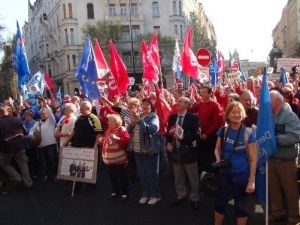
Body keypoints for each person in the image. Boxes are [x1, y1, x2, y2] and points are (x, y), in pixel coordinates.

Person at [214, 101, 257, 225]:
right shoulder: (222, 130)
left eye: (239, 112)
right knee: (220, 203)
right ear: (228, 115)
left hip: (241, 176)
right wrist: (218, 160)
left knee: (241, 207)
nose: (236, 115)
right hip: (224, 174)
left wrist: (252, 181)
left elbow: (253, 159)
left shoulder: (248, 133)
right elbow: (217, 148)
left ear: (243, 115)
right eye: (233, 112)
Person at [268, 90, 300, 225]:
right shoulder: (269, 116)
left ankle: (294, 217)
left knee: (290, 191)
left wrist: (274, 140)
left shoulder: (290, 117)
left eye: (269, 101)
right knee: (273, 190)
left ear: (277, 102)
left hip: (286, 161)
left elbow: (295, 136)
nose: (266, 103)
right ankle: (277, 212)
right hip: (271, 159)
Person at [167, 96, 201, 209]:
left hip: (188, 151)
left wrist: (183, 137)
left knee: (193, 177)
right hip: (175, 151)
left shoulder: (193, 118)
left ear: (187, 105)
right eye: (178, 101)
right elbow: (168, 133)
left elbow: (196, 135)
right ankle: (181, 195)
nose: (178, 102)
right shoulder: (172, 117)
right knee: (178, 176)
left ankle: (195, 198)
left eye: (181, 101)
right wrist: (168, 143)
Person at [127, 98, 161, 205]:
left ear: (151, 106)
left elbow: (152, 129)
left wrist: (140, 121)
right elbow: (129, 130)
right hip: (138, 149)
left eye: (147, 104)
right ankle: (146, 193)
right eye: (143, 104)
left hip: (149, 150)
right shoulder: (140, 116)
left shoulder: (153, 116)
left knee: (151, 173)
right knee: (142, 173)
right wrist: (133, 122)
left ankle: (155, 195)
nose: (145, 106)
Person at [189, 85, 224, 173]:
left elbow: (217, 123)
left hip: (211, 137)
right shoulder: (200, 104)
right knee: (202, 158)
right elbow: (191, 110)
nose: (202, 94)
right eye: (201, 92)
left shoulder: (215, 105)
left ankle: (212, 177)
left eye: (204, 92)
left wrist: (207, 134)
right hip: (201, 136)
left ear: (210, 94)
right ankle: (204, 176)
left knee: (211, 158)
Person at [0, 106, 33, 188]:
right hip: (19, 147)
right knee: (23, 164)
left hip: (6, 149)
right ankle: (28, 183)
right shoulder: (17, 119)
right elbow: (25, 131)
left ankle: (17, 178)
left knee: (4, 164)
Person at [101, 114, 130, 199]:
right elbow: (106, 140)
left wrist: (117, 138)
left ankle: (124, 192)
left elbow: (126, 141)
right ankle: (115, 191)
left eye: (110, 121)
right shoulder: (108, 130)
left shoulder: (122, 129)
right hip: (109, 159)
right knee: (112, 176)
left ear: (116, 122)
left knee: (122, 176)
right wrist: (102, 139)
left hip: (120, 159)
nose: (108, 122)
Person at [30, 98, 57, 181]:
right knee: (44, 161)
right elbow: (31, 131)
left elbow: (50, 113)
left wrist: (46, 105)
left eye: (44, 113)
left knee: (52, 160)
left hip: (51, 144)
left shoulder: (51, 121)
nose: (42, 115)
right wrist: (31, 136)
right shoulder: (37, 123)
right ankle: (47, 175)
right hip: (41, 145)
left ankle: (54, 175)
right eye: (41, 114)